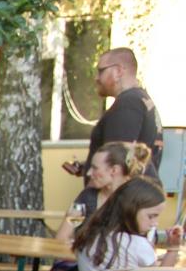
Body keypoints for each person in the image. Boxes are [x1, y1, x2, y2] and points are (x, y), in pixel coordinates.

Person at [62, 47, 163, 213]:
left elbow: (118, 160)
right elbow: (129, 155)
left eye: (100, 71)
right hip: (133, 200)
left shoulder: (128, 104)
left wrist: (94, 208)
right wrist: (86, 167)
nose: (96, 78)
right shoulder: (142, 100)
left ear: (118, 71)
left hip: (117, 206)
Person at [73, 177, 180, 271]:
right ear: (130, 210)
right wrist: (173, 249)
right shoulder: (137, 244)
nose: (155, 223)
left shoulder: (89, 232)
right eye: (151, 216)